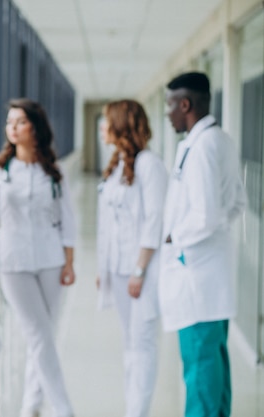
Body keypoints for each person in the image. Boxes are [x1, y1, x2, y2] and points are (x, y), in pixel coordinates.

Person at [0, 98, 76, 417]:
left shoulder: (53, 169)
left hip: (51, 260)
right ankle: (63, 408)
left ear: (35, 127)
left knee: (44, 335)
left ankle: (31, 405)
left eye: (20, 121)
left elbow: (68, 219)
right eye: (10, 122)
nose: (12, 127)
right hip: (12, 263)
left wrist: (69, 262)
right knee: (39, 334)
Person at [160, 72, 246, 416]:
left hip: (198, 277)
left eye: (170, 106)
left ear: (186, 104)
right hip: (209, 274)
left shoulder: (205, 146)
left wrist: (173, 238)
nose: (168, 114)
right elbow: (236, 204)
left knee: (200, 368)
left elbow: (206, 215)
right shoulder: (217, 140)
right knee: (213, 364)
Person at [96, 99, 167, 417]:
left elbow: (155, 220)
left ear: (121, 125)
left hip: (142, 271)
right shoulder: (119, 165)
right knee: (130, 344)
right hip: (119, 269)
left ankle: (138, 412)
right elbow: (110, 224)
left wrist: (139, 269)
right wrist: (104, 268)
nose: (101, 128)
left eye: (106, 122)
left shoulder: (150, 164)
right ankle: (132, 407)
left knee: (142, 345)